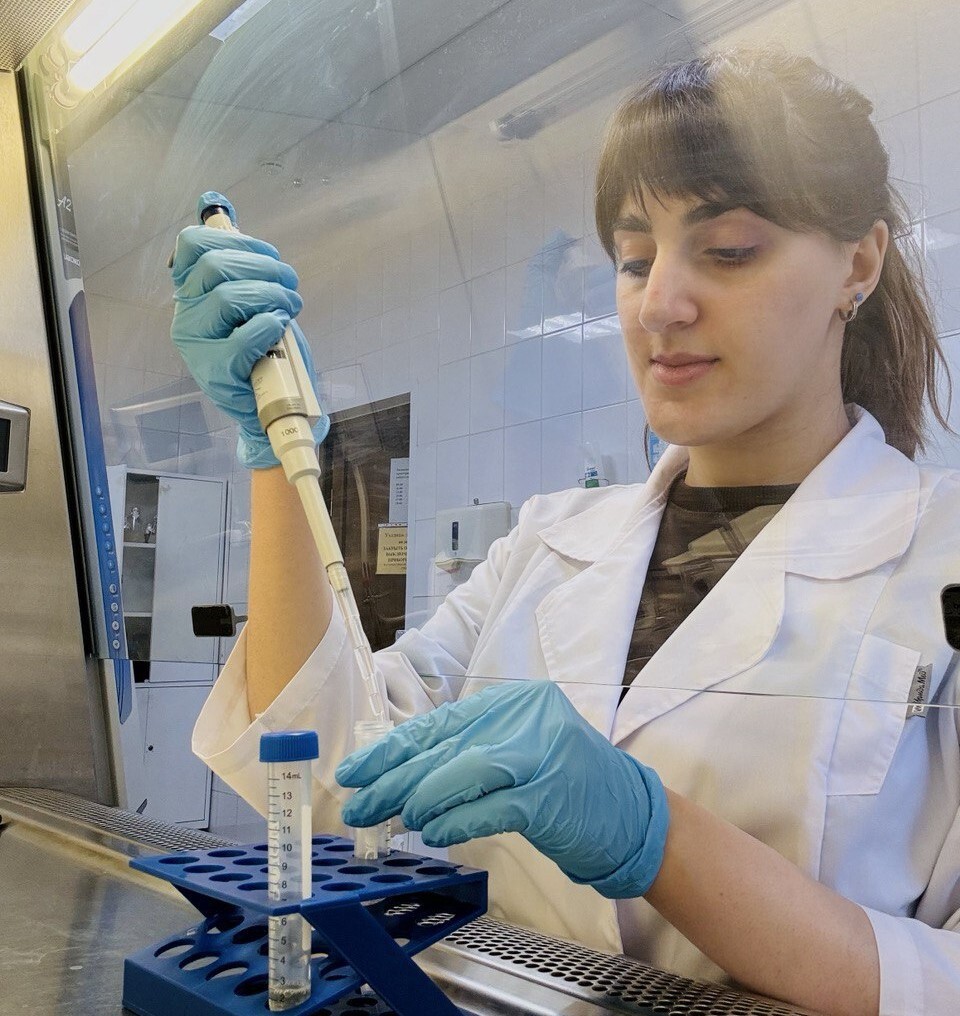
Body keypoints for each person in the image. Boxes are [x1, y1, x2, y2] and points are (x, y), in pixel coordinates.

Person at [173, 50, 960, 1016]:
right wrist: (274, 445)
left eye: (728, 250)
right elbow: (329, 768)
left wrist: (657, 838)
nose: (658, 305)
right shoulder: (546, 545)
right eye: (634, 259)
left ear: (859, 264)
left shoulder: (940, 558)